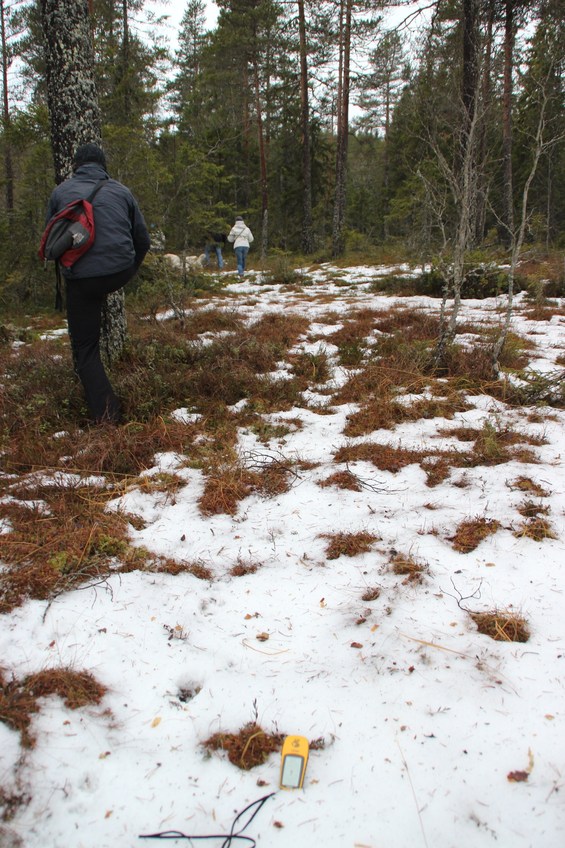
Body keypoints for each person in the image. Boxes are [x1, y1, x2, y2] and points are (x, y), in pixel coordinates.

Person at [45, 142, 150, 424]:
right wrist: (127, 271)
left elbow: (52, 242)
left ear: (76, 166)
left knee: (86, 349)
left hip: (81, 279)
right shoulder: (122, 191)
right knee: (98, 288)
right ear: (103, 166)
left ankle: (108, 417)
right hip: (119, 273)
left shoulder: (60, 192)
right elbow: (143, 241)